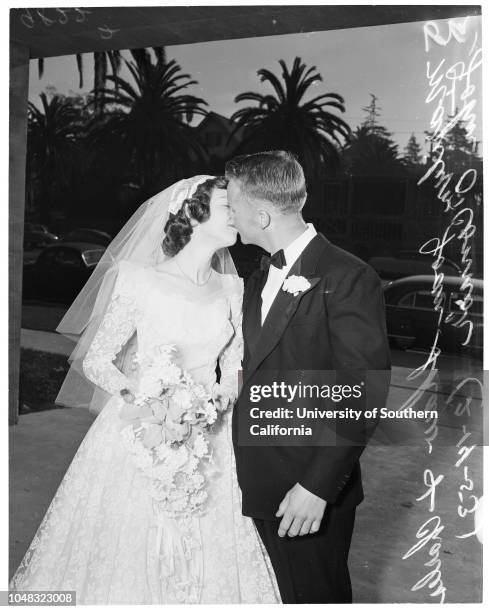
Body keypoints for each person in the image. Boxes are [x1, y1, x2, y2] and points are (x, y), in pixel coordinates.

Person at [10, 176, 280, 605]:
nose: (239, 215)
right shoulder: (139, 279)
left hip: (209, 440)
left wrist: (217, 400)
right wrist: (148, 402)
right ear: (193, 213)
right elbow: (97, 359)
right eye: (229, 206)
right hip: (139, 432)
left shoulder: (232, 287)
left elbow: (233, 366)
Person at [226, 151, 391, 604]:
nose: (229, 213)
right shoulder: (258, 277)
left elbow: (363, 392)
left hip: (307, 489)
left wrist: (318, 486)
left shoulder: (349, 276)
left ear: (261, 214)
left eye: (233, 204)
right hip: (256, 478)